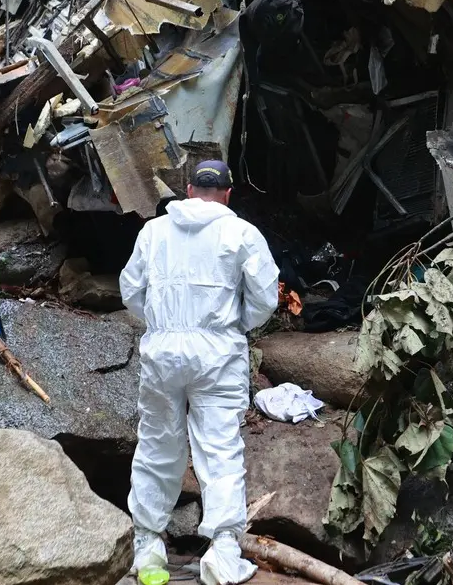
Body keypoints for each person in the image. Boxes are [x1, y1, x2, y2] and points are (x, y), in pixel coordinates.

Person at [120, 159, 280, 585]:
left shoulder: (153, 232)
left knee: (156, 445)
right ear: (228, 193)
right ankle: (223, 552)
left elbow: (131, 291)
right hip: (218, 353)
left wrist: (164, 323)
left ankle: (149, 547)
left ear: (188, 189)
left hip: (163, 350)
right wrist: (233, 325)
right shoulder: (242, 234)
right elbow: (265, 300)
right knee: (220, 449)